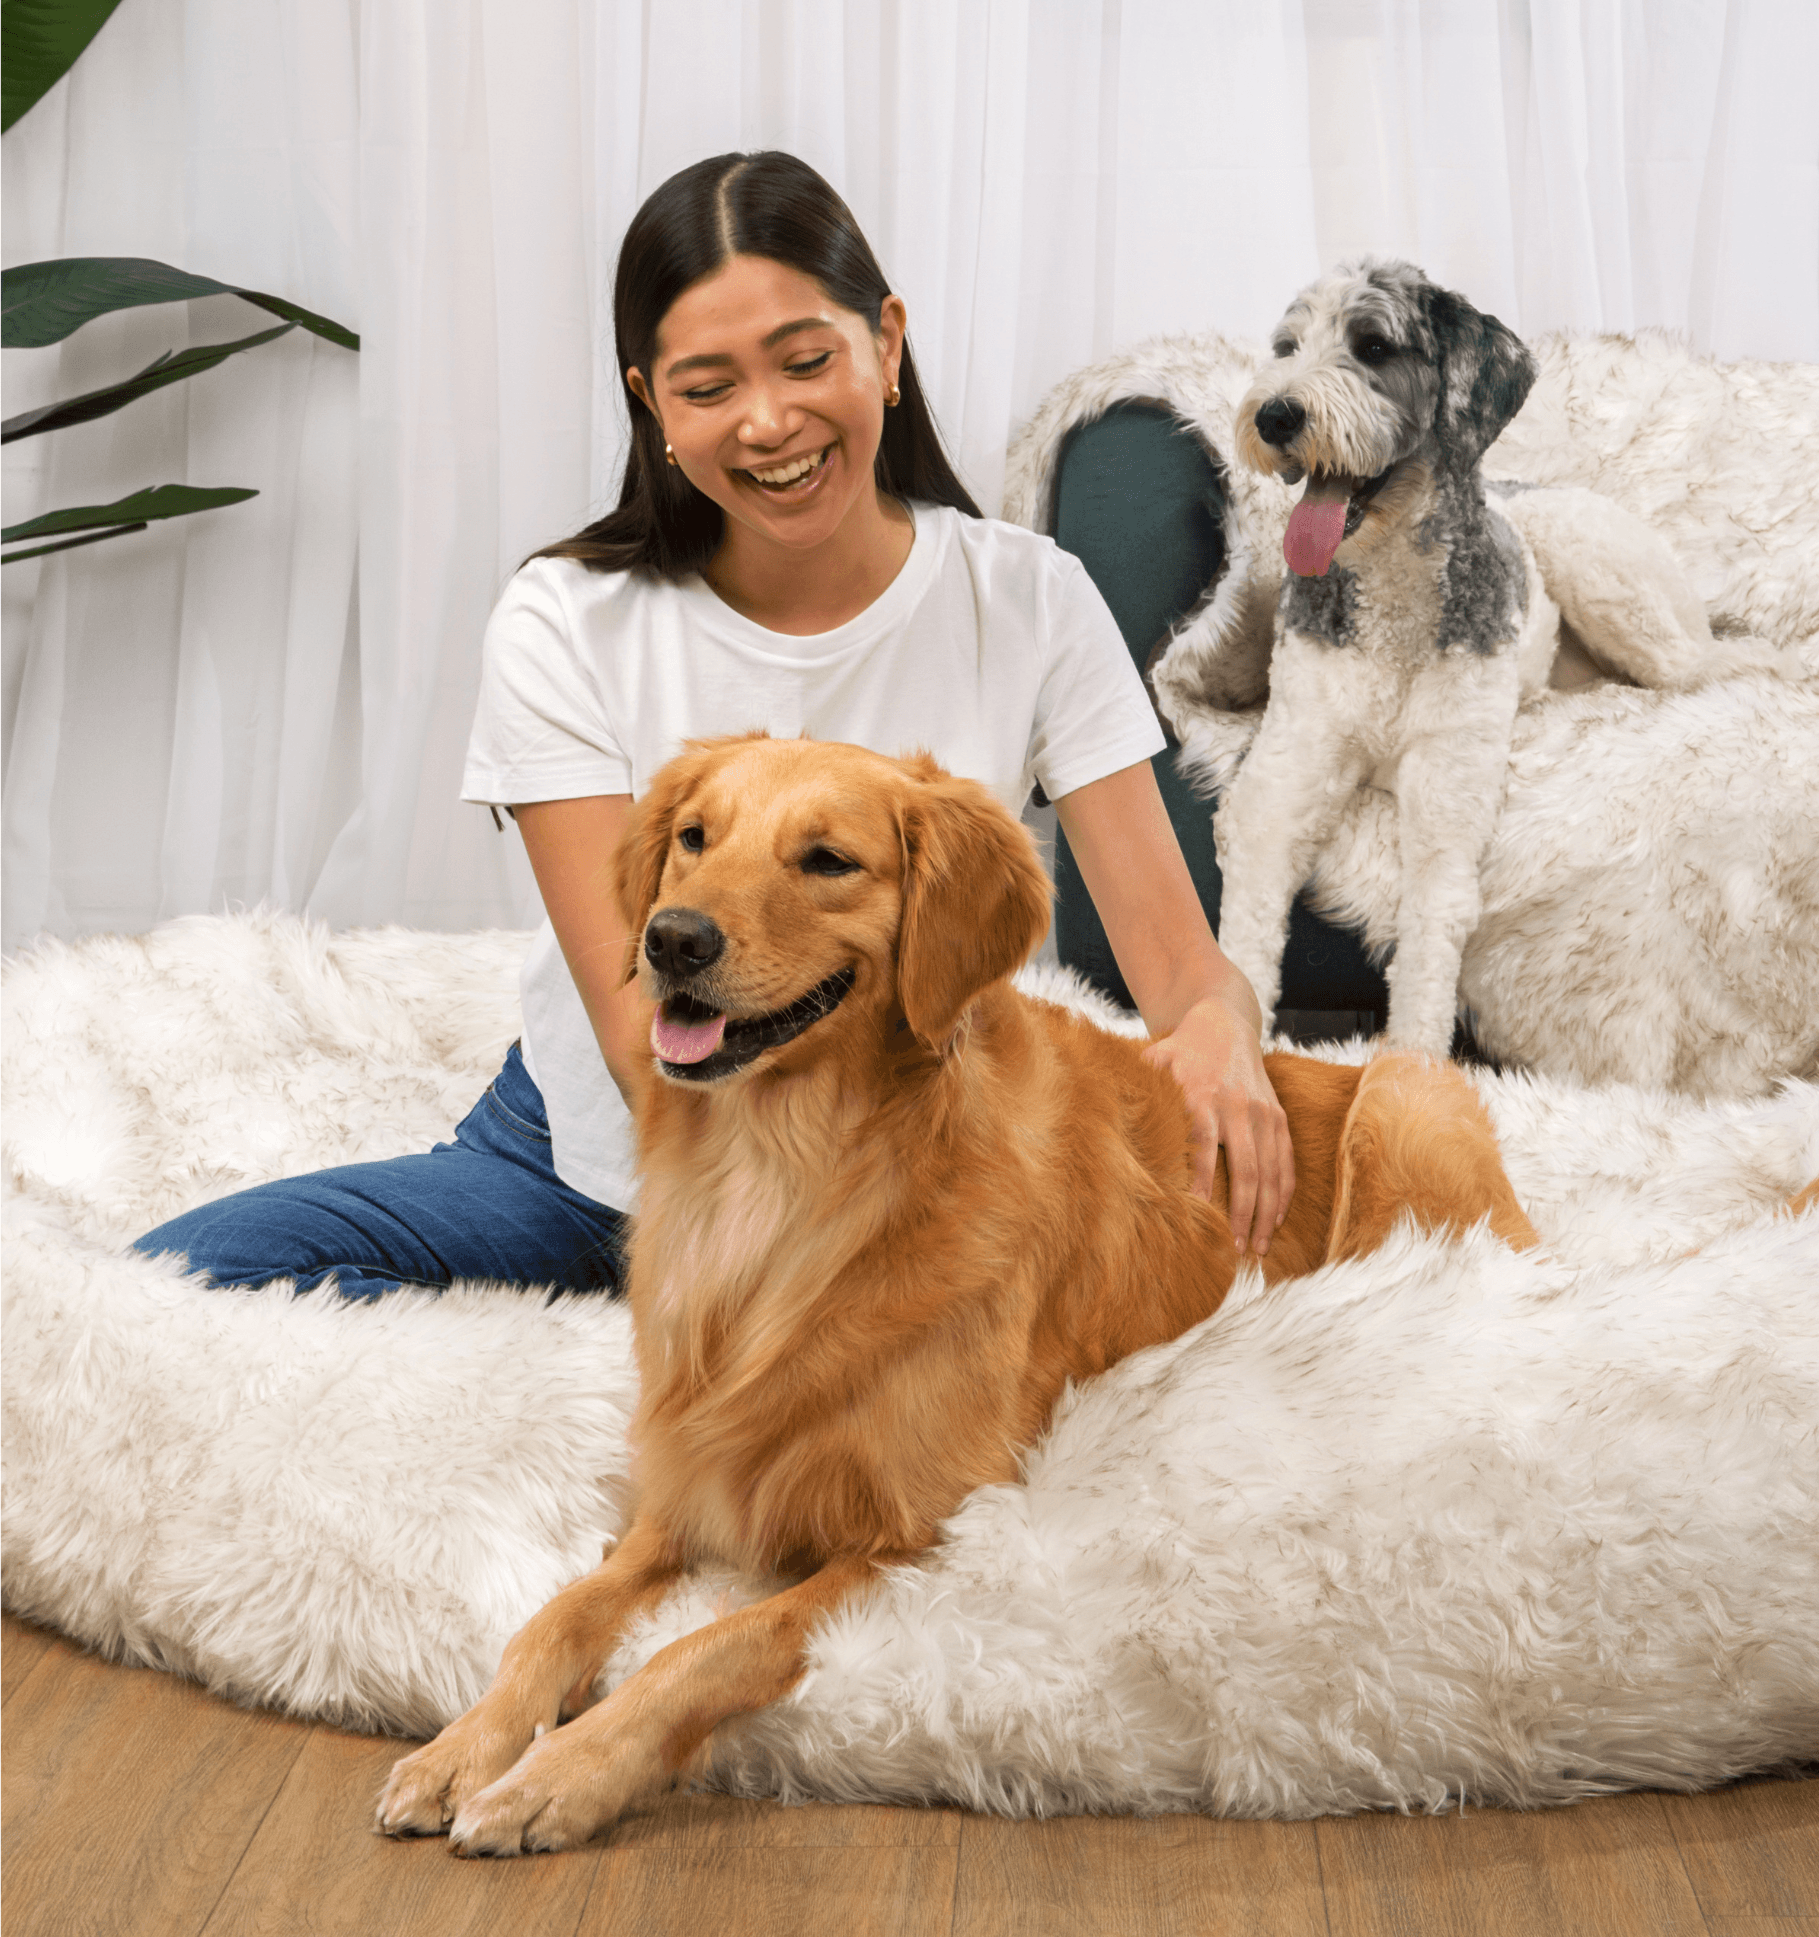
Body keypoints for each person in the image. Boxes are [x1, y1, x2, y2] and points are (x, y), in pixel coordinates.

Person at [135, 150, 1293, 1301]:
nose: (768, 422)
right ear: (651, 403)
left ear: (885, 345)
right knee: (184, 1276)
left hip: (917, 1160)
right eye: (706, 387)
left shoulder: (1030, 599)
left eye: (805, 361)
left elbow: (1182, 972)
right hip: (586, 1169)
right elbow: (641, 1031)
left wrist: (1216, 1034)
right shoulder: (565, 617)